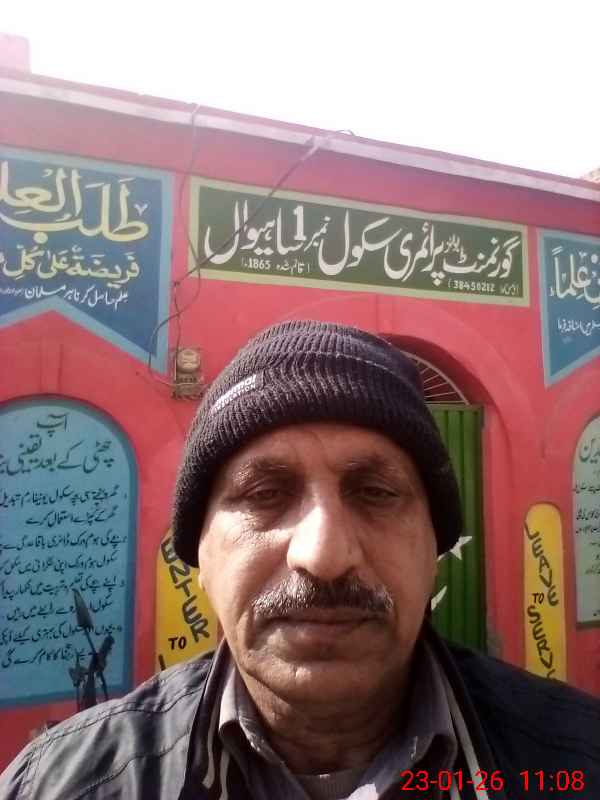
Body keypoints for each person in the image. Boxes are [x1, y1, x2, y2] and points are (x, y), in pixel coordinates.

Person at [1, 320, 599, 800]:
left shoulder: (577, 763)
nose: (324, 555)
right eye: (264, 494)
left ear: (434, 547)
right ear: (199, 554)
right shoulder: (65, 784)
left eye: (375, 492)